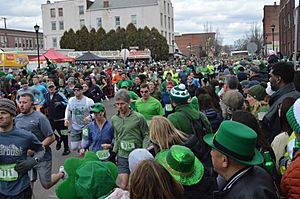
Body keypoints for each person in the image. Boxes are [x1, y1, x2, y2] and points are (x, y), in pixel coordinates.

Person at [203, 120, 279, 199]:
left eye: (213, 149)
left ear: (224, 161)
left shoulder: (249, 195)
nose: (211, 153)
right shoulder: (258, 172)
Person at [15, 93, 65, 190]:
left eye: (24, 102)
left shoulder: (40, 118)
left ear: (32, 103)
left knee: (46, 184)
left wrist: (34, 149)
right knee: (27, 186)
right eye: (20, 102)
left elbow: (51, 137)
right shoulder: (18, 118)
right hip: (26, 158)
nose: (21, 105)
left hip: (42, 156)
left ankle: (61, 173)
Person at [0, 98, 44, 198]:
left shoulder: (26, 136)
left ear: (13, 116)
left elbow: (41, 149)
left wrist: (33, 161)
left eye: (3, 113)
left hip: (20, 190)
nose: (0, 116)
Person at [112, 89, 151, 189]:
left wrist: (144, 150)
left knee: (136, 185)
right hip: (122, 155)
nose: (120, 107)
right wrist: (113, 152)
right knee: (123, 185)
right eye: (117, 104)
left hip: (136, 156)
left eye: (122, 104)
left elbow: (146, 135)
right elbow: (117, 136)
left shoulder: (139, 117)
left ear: (129, 102)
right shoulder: (114, 119)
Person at [262, 62, 300, 142]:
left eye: (271, 76)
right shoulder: (295, 95)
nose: (269, 79)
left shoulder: (285, 101)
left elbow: (274, 131)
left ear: (278, 79)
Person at [64, 84, 94, 151]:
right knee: (74, 147)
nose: (76, 92)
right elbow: (68, 110)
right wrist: (66, 119)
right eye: (74, 90)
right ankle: (81, 147)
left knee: (85, 146)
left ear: (82, 91)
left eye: (78, 90)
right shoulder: (71, 100)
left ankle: (85, 153)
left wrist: (90, 116)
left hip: (86, 126)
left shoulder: (88, 101)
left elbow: (96, 112)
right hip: (75, 126)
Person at [44, 81, 70, 156]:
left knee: (64, 134)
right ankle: (58, 139)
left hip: (61, 119)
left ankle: (66, 148)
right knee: (49, 133)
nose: (51, 88)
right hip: (51, 119)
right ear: (47, 89)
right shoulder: (46, 95)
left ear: (55, 87)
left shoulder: (60, 94)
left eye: (52, 87)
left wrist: (61, 103)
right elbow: (45, 103)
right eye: (49, 87)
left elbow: (68, 103)